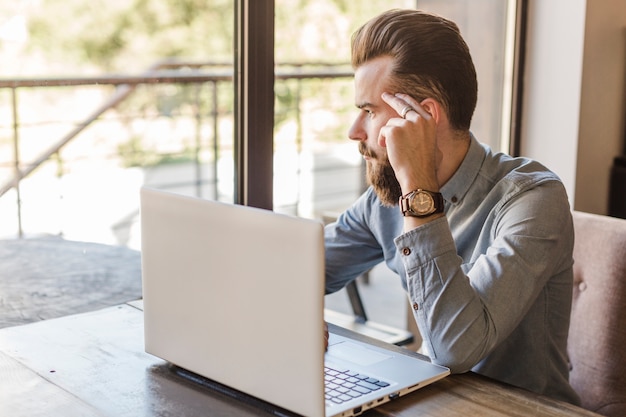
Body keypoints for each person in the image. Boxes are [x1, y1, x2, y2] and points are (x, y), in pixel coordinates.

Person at [323, 9, 580, 405]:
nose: (354, 132)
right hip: (429, 401)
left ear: (423, 116)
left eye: (370, 111)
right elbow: (303, 269)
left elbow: (454, 348)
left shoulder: (533, 199)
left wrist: (419, 192)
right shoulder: (384, 200)